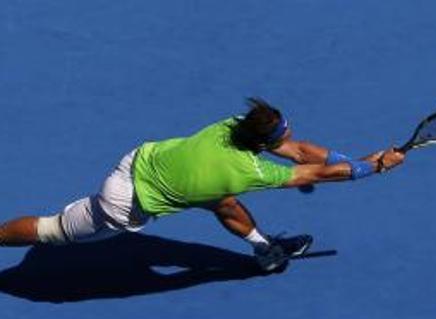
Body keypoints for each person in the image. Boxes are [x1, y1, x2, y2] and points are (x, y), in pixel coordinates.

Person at [0, 98, 406, 271]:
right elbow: (310, 171)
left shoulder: (232, 125)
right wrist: (373, 169)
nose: (289, 136)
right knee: (52, 231)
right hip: (125, 202)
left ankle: (264, 249)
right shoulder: (250, 171)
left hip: (141, 159)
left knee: (222, 202)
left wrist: (359, 160)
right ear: (263, 144)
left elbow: (300, 152)